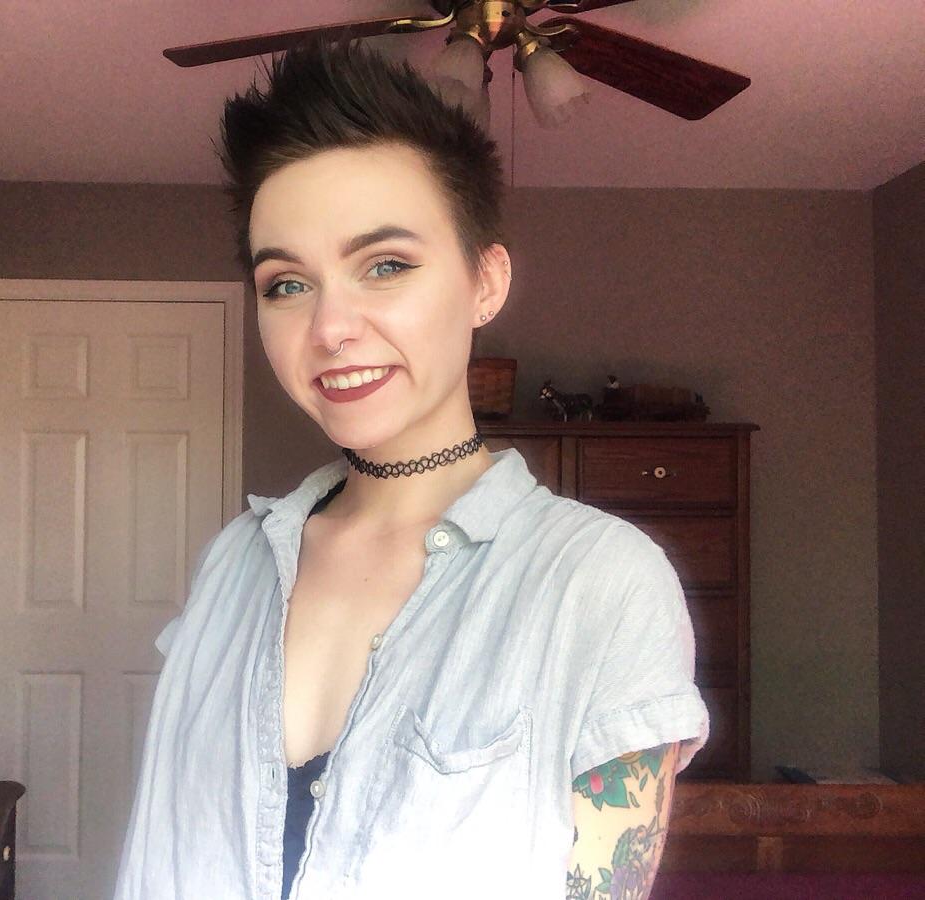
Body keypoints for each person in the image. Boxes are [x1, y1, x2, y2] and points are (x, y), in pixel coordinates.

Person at [114, 38, 709, 900]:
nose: (330, 328)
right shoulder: (232, 566)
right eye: (287, 284)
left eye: (385, 266)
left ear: (485, 283)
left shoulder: (600, 584)